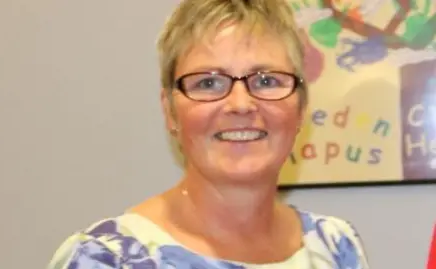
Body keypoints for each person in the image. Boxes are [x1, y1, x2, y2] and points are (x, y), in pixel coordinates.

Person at [47, 0, 370, 268]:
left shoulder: (336, 246)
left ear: (300, 107)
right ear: (170, 110)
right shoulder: (105, 258)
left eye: (267, 81)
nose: (241, 104)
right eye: (208, 82)